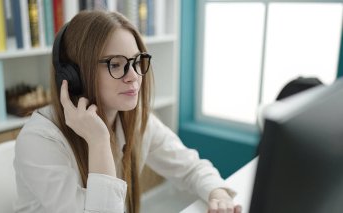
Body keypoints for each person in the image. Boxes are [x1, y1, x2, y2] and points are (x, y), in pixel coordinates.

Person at [13, 10, 241, 213]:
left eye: (137, 61)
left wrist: (217, 192)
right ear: (75, 77)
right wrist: (99, 142)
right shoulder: (39, 140)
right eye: (115, 64)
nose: (134, 75)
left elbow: (189, 166)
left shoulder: (136, 118)